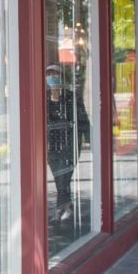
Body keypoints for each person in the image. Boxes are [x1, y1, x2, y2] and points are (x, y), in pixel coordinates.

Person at [46, 64, 88, 223]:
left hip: (69, 145)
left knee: (64, 178)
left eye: (55, 74)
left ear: (62, 77)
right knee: (59, 180)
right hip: (51, 147)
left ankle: (59, 211)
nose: (52, 77)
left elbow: (82, 118)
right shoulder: (43, 97)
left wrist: (89, 139)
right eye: (49, 74)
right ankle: (67, 207)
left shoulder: (72, 96)